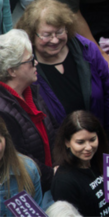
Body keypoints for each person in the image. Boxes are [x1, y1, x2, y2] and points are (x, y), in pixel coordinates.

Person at [17, 0, 109, 147]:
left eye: (59, 32)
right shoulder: (24, 64)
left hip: (94, 142)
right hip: (55, 149)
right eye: (46, 35)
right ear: (31, 35)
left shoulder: (87, 50)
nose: (54, 40)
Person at [0, 30, 54, 192]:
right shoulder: (2, 111)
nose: (36, 63)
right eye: (30, 60)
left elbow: (55, 129)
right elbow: (18, 157)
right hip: (31, 189)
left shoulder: (31, 93)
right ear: (12, 70)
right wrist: (52, 174)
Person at [50, 111, 109, 217]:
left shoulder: (100, 161)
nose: (88, 147)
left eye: (92, 140)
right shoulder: (63, 182)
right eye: (80, 142)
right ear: (67, 142)